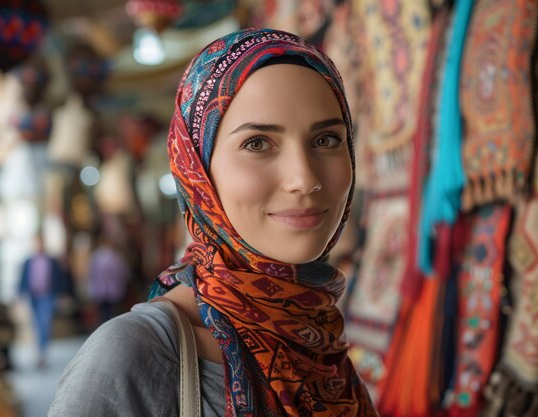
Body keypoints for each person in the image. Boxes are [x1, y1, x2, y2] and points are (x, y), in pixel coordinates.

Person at [50, 28, 378, 416]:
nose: (304, 178)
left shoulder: (317, 336)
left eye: (326, 140)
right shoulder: (133, 354)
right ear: (197, 169)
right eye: (257, 143)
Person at [18, 234, 66, 368]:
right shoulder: (28, 261)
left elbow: (59, 278)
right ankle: (39, 350)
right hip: (33, 297)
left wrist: (61, 295)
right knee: (36, 323)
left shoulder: (51, 261)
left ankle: (42, 352)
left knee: (45, 322)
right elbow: (23, 279)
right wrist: (20, 295)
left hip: (47, 296)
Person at [86, 234, 131, 325]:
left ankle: (103, 326)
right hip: (113, 288)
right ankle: (111, 326)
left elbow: (91, 272)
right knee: (112, 311)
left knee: (103, 311)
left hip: (100, 288)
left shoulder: (96, 256)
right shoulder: (115, 256)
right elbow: (122, 271)